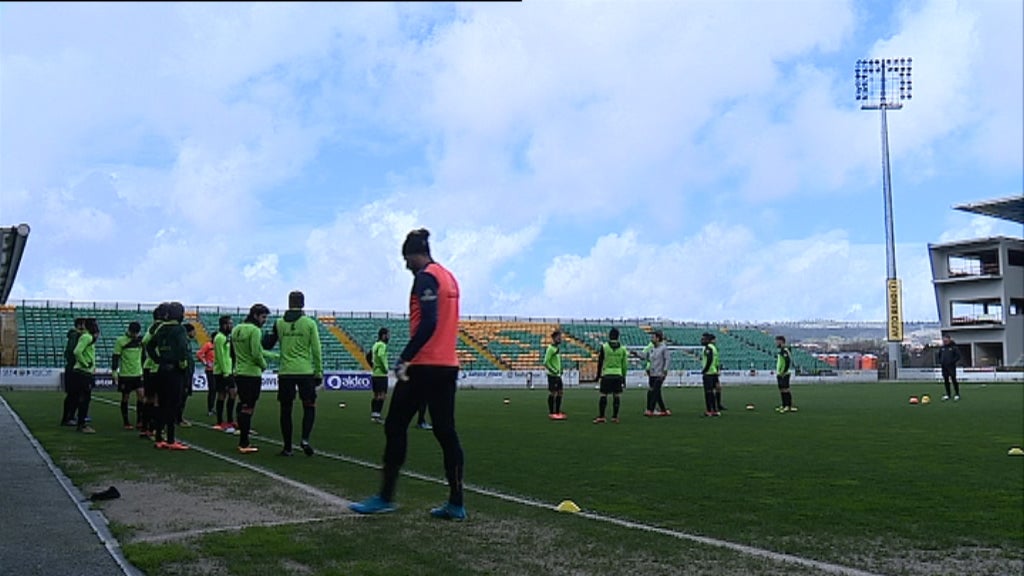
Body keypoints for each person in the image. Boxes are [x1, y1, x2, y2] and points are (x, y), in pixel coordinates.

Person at [350, 228, 466, 520]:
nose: (406, 265)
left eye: (406, 259)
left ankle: (385, 496)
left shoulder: (425, 277)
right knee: (446, 432)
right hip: (448, 365)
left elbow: (428, 323)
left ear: (417, 254)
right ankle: (456, 502)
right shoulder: (448, 276)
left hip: (424, 366)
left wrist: (404, 358)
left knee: (395, 425)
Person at [263, 291, 322, 457]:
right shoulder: (309, 323)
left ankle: (287, 447)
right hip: (305, 371)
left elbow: (268, 344)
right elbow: (317, 349)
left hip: (286, 372)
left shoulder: (279, 323)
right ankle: (305, 439)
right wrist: (318, 372)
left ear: (289, 303)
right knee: (309, 406)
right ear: (303, 304)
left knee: (286, 409)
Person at [146, 302, 190, 450]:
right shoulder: (179, 329)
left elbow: (149, 345)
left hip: (161, 370)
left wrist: (157, 359)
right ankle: (171, 440)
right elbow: (183, 347)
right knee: (173, 405)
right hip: (174, 371)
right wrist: (183, 363)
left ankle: (159, 437)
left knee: (162, 404)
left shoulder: (161, 328)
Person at [231, 303, 272, 454]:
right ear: (255, 316)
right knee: (249, 407)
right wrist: (264, 365)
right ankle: (244, 442)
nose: (265, 320)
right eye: (263, 317)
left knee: (243, 404)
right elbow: (256, 353)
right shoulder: (255, 331)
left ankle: (243, 434)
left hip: (239, 371)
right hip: (251, 373)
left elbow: (233, 352)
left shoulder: (236, 329)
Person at [112, 321, 145, 430]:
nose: (134, 335)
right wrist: (114, 372)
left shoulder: (141, 341)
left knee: (141, 395)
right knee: (125, 397)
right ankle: (126, 422)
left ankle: (140, 420)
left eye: (136, 333)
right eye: (133, 333)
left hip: (138, 373)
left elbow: (143, 356)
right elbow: (115, 357)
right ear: (129, 330)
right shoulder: (120, 341)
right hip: (125, 375)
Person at [593, 327, 627, 424]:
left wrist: (598, 375)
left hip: (607, 374)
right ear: (618, 336)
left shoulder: (604, 347)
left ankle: (602, 416)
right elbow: (625, 365)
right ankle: (615, 417)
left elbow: (600, 362)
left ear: (609, 336)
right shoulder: (623, 349)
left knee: (603, 395)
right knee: (616, 396)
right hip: (618, 374)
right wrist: (623, 377)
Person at [71, 318, 100, 433]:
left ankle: (81, 423)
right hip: (83, 372)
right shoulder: (87, 337)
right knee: (84, 399)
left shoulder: (87, 337)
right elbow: (77, 351)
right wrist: (86, 363)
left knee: (83, 398)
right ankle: (81, 425)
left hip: (84, 372)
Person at [211, 315, 238, 432]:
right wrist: (226, 372)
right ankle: (221, 421)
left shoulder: (226, 337)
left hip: (228, 370)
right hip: (222, 372)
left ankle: (228, 420)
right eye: (229, 324)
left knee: (230, 394)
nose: (231, 326)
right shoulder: (219, 338)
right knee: (227, 394)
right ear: (224, 325)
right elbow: (220, 357)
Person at [60, 317, 86, 426]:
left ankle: (71, 416)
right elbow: (71, 352)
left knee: (75, 394)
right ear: (80, 326)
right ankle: (67, 417)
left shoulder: (76, 336)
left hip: (73, 368)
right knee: (73, 394)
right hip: (73, 369)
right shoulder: (75, 336)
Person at [644, 330, 671, 417]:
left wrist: (665, 371)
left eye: (653, 337)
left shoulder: (664, 348)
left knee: (654, 391)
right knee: (656, 392)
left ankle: (651, 410)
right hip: (652, 373)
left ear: (658, 338)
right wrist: (636, 354)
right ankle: (663, 410)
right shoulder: (652, 349)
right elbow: (646, 357)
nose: (652, 338)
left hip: (659, 374)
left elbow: (667, 360)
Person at [177, 323, 197, 427]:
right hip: (184, 374)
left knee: (183, 396)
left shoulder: (188, 342)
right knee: (181, 396)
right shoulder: (184, 342)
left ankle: (178, 417)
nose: (195, 333)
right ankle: (178, 418)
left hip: (188, 373)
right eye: (194, 331)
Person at [544, 330, 566, 420]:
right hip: (553, 375)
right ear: (554, 338)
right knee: (553, 393)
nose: (560, 339)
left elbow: (556, 361)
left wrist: (560, 369)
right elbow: (546, 362)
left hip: (557, 375)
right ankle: (552, 412)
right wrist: (554, 371)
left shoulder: (556, 348)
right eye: (558, 337)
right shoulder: (550, 349)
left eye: (560, 337)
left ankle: (557, 411)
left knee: (560, 392)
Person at [369, 327, 390, 423]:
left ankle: (374, 415)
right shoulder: (382, 345)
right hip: (381, 374)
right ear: (384, 335)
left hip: (375, 374)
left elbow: (369, 356)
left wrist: (373, 365)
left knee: (376, 395)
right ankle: (377, 416)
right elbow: (381, 356)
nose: (389, 337)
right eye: (388, 335)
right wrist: (385, 368)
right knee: (382, 395)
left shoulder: (375, 344)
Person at [774, 335, 797, 413]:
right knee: (781, 389)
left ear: (781, 341)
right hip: (780, 373)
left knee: (785, 389)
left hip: (784, 373)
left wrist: (783, 371)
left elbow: (787, 362)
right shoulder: (781, 350)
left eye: (777, 341)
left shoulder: (785, 350)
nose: (776, 343)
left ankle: (788, 405)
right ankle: (784, 405)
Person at [700, 332, 721, 417]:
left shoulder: (708, 348)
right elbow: (716, 361)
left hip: (709, 373)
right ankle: (715, 410)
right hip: (714, 372)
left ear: (707, 340)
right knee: (712, 392)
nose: (701, 340)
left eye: (703, 339)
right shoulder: (714, 348)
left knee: (708, 392)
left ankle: (709, 410)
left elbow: (709, 359)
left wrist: (705, 370)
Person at [936, 334, 961, 401]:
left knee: (953, 380)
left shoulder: (954, 347)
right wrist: (941, 362)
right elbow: (939, 356)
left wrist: (952, 362)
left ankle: (957, 394)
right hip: (944, 367)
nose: (945, 341)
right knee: (946, 380)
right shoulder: (942, 348)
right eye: (944, 339)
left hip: (951, 366)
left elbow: (958, 356)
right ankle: (948, 394)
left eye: (946, 339)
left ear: (949, 339)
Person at [197, 337, 216, 416]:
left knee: (215, 390)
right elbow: (199, 354)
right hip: (210, 370)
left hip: (217, 370)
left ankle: (212, 408)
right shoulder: (208, 345)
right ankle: (210, 409)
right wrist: (205, 362)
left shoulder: (218, 346)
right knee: (212, 389)